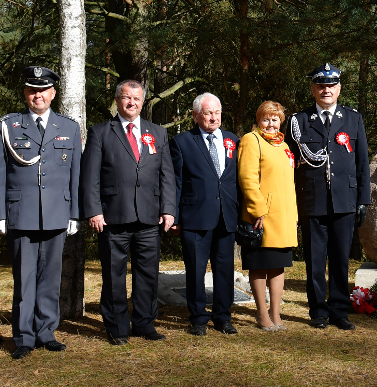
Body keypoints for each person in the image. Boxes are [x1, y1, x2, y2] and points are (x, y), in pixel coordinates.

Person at [0, 66, 82, 359]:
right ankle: (24, 336)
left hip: (56, 212)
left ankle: (46, 332)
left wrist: (75, 213)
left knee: (51, 276)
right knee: (24, 278)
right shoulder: (8, 125)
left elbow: (75, 174)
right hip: (21, 212)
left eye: (43, 90)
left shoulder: (68, 128)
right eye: (32, 90)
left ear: (53, 93)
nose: (37, 95)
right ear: (25, 93)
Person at [80, 80, 176, 343]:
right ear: (117, 100)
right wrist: (94, 211)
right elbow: (90, 178)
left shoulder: (158, 132)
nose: (131, 103)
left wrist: (169, 209)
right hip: (113, 217)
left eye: (136, 99)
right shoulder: (100, 132)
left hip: (149, 217)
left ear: (142, 103)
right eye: (126, 98)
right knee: (114, 275)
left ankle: (145, 324)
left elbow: (167, 175)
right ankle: (117, 328)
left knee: (148, 274)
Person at [286, 63, 370, 330]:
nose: (326, 90)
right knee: (314, 259)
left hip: (345, 200)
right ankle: (317, 312)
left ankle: (339, 311)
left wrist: (363, 199)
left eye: (331, 85)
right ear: (313, 89)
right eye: (321, 85)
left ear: (339, 88)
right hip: (312, 200)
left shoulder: (353, 119)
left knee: (341, 258)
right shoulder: (298, 122)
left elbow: (362, 163)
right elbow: (288, 164)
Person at [169, 92, 240, 336]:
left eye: (217, 112)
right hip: (195, 216)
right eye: (207, 113)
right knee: (196, 270)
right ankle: (198, 317)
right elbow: (176, 181)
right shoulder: (182, 142)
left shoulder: (234, 141)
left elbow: (239, 180)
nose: (213, 117)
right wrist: (175, 216)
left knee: (225, 270)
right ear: (196, 116)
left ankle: (223, 316)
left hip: (226, 216)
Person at [237, 101, 299, 331]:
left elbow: (289, 184)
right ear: (258, 120)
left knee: (278, 266)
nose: (271, 123)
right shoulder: (251, 140)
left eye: (275, 119)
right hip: (261, 217)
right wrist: (257, 209)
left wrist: (293, 214)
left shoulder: (284, 146)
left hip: (283, 218)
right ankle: (262, 315)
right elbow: (247, 178)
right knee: (259, 265)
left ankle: (276, 314)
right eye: (266, 118)